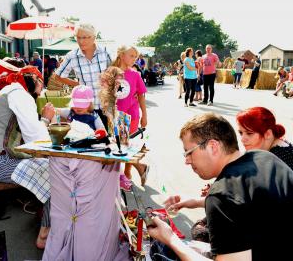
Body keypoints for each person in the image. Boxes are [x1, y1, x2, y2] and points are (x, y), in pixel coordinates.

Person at [149, 113, 293, 261]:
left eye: (189, 153)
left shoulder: (221, 195)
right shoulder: (264, 157)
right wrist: (196, 201)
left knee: (164, 250)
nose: (187, 161)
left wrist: (170, 238)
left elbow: (232, 202)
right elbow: (250, 205)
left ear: (213, 146)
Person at [0, 71, 55, 249]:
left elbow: (28, 136)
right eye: (41, 83)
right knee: (54, 173)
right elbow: (35, 138)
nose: (42, 89)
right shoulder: (19, 94)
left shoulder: (12, 91)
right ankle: (45, 234)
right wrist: (45, 119)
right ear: (35, 81)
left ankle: (44, 215)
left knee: (46, 166)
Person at [53, 23, 112, 129]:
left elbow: (116, 74)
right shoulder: (72, 56)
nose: (81, 41)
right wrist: (77, 84)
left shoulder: (106, 52)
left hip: (105, 106)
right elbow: (58, 75)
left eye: (85, 37)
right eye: (78, 37)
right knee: (83, 139)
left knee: (104, 141)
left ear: (94, 37)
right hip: (84, 108)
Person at [111, 45, 149, 189]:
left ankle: (127, 175)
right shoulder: (112, 73)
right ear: (121, 54)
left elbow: (141, 96)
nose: (134, 59)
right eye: (131, 55)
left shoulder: (135, 75)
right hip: (116, 115)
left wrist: (144, 115)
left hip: (131, 115)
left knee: (125, 146)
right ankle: (140, 168)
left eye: (135, 57)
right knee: (121, 146)